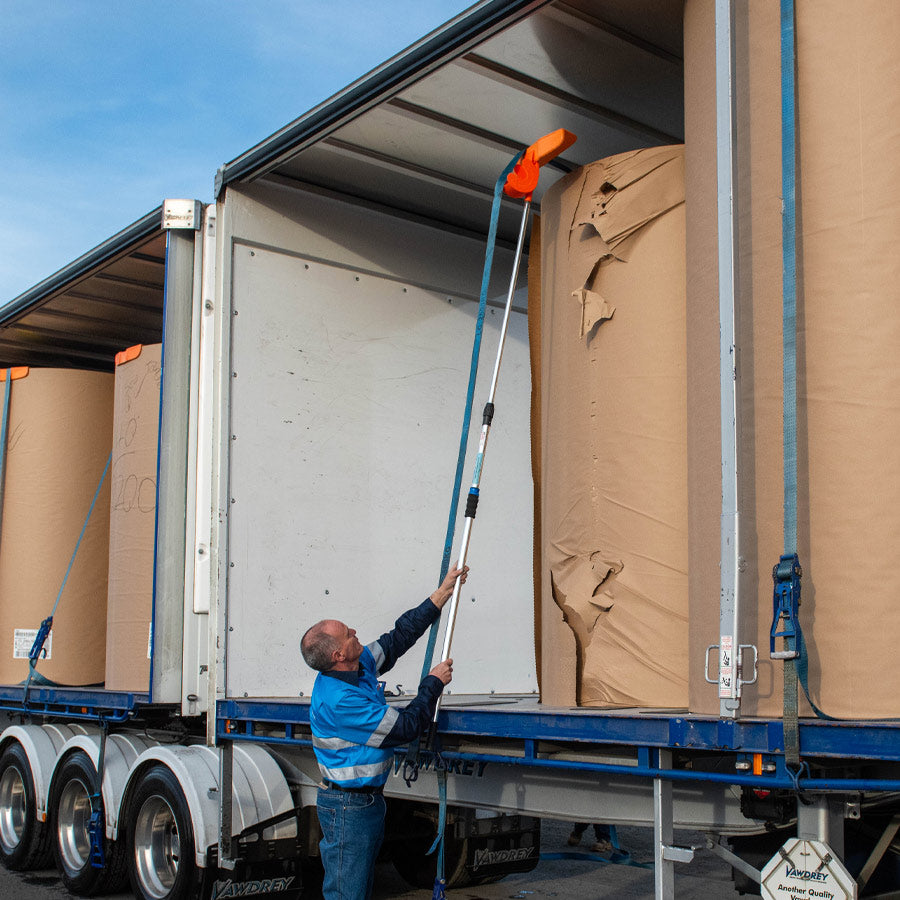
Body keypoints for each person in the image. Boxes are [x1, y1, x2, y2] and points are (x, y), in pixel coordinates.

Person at [301, 565, 468, 900]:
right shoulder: (341, 701)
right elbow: (405, 728)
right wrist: (433, 683)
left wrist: (440, 595)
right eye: (348, 633)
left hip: (365, 803)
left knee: (357, 888)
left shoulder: (357, 665)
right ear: (338, 655)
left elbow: (397, 639)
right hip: (349, 807)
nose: (355, 631)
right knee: (348, 893)